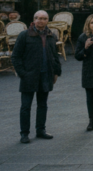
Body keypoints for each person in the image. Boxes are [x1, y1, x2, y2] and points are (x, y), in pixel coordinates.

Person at [12, 10, 62, 144]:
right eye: (38, 18)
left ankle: (41, 130)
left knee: (42, 105)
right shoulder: (24, 35)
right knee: (25, 106)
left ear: (47, 20)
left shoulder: (51, 35)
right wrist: (23, 73)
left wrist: (56, 72)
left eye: (44, 18)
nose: (40, 21)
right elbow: (15, 57)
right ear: (33, 20)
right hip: (29, 76)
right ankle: (24, 133)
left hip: (46, 74)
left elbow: (54, 55)